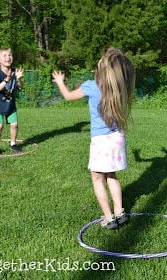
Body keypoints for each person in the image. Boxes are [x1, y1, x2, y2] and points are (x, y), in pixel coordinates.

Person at [52, 47, 135, 229]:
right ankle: (120, 212)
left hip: (101, 141)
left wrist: (60, 82)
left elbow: (68, 96)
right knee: (111, 175)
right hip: (117, 138)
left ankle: (109, 218)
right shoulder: (120, 87)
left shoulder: (91, 85)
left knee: (98, 179)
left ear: (102, 66)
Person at [0, 47, 24, 155]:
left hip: (10, 105)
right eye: (4, 56)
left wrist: (18, 79)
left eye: (9, 55)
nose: (7, 57)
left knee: (14, 124)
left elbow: (20, 87)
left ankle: (13, 144)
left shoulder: (14, 71)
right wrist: (6, 80)